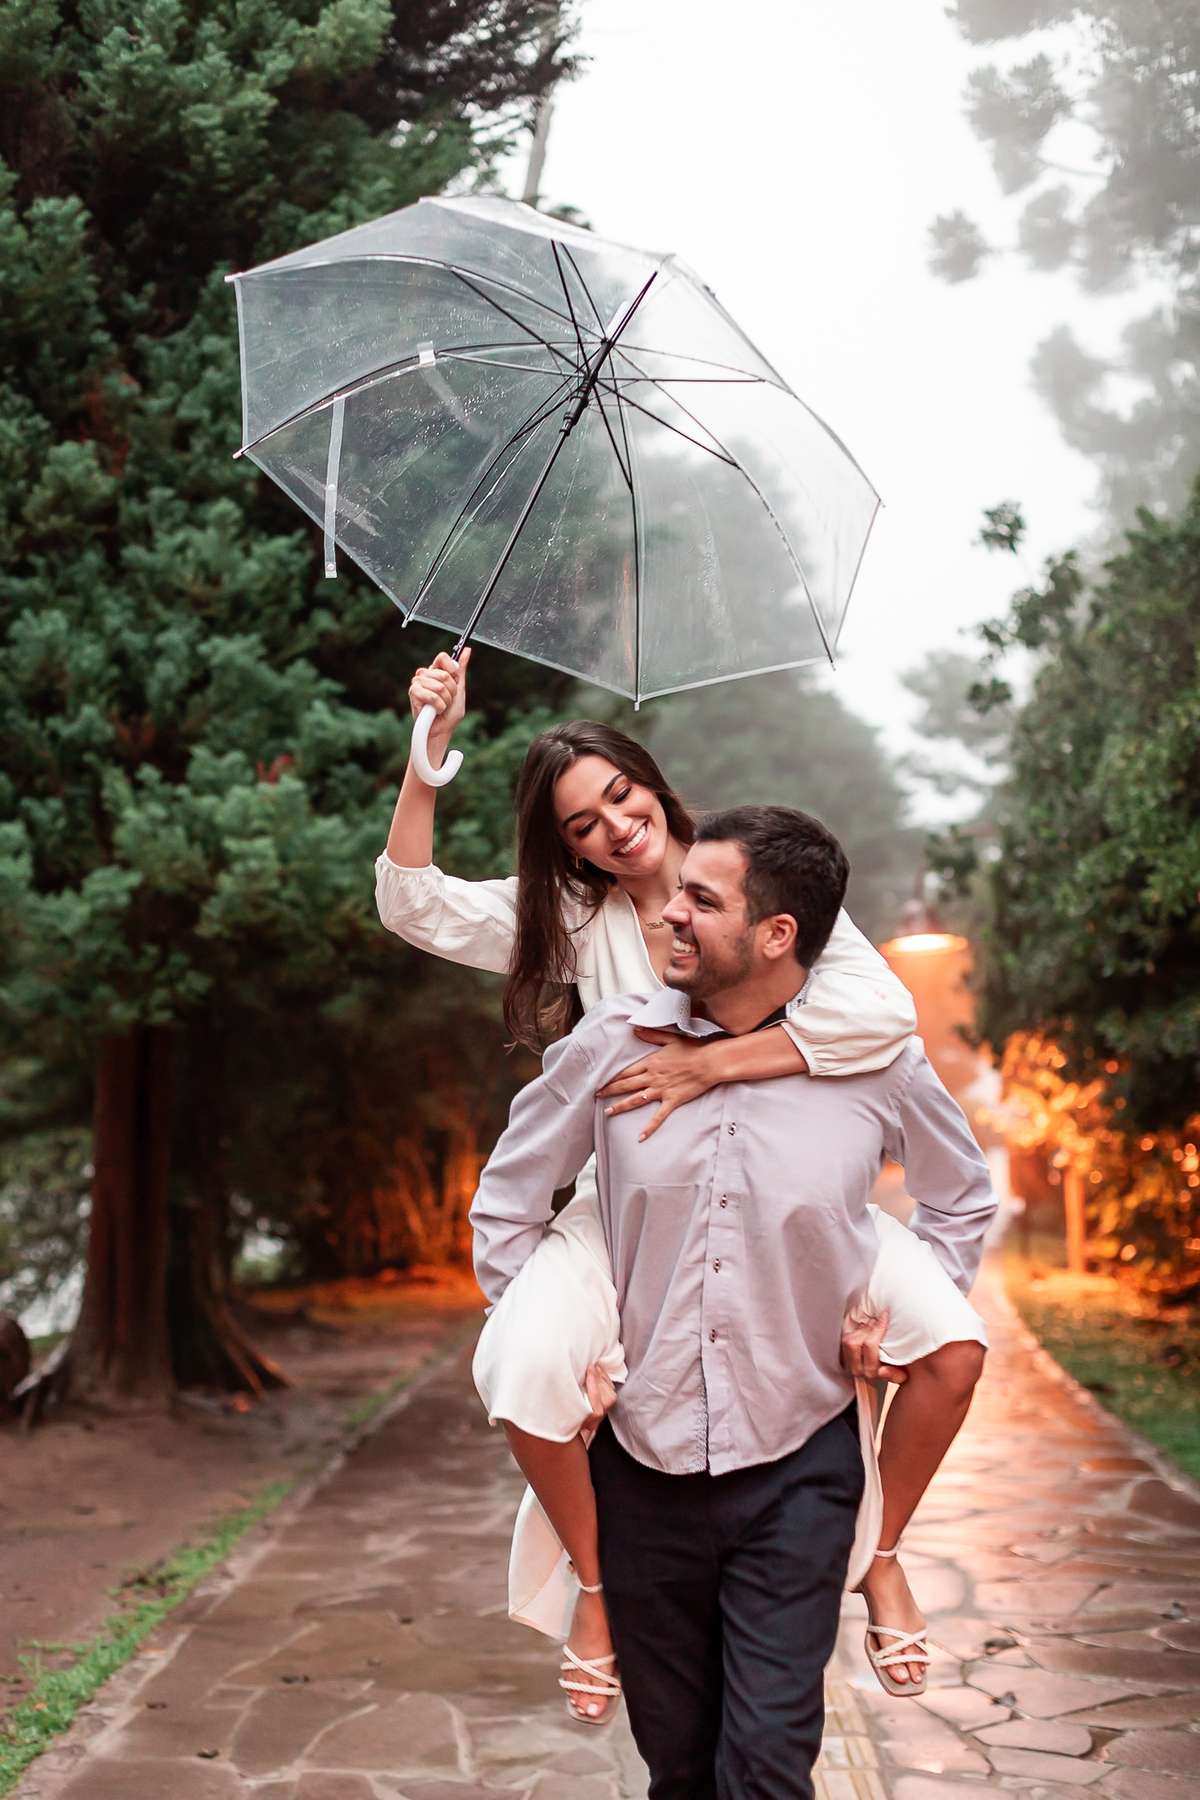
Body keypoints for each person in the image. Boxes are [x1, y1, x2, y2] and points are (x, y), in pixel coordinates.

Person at [376, 651, 989, 1715]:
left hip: (793, 1207)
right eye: (580, 824)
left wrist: (716, 1062)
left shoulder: (763, 886)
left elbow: (884, 1022)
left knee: (948, 1343)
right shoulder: (570, 922)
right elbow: (414, 908)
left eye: (620, 793)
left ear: (651, 784)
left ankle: (881, 1550)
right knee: (521, 1361)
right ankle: (596, 1587)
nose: (614, 826)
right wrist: (428, 756)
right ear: (565, 848)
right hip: (628, 1212)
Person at [470, 806, 997, 1799]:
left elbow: (961, 1193)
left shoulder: (874, 1065)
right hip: (639, 1465)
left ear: (776, 935)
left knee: (764, 1768)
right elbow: (511, 1192)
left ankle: (879, 1560)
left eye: (699, 901)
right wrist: (542, 1320)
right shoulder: (612, 1044)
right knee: (680, 1764)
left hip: (798, 1464)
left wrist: (900, 1317)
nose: (666, 914)